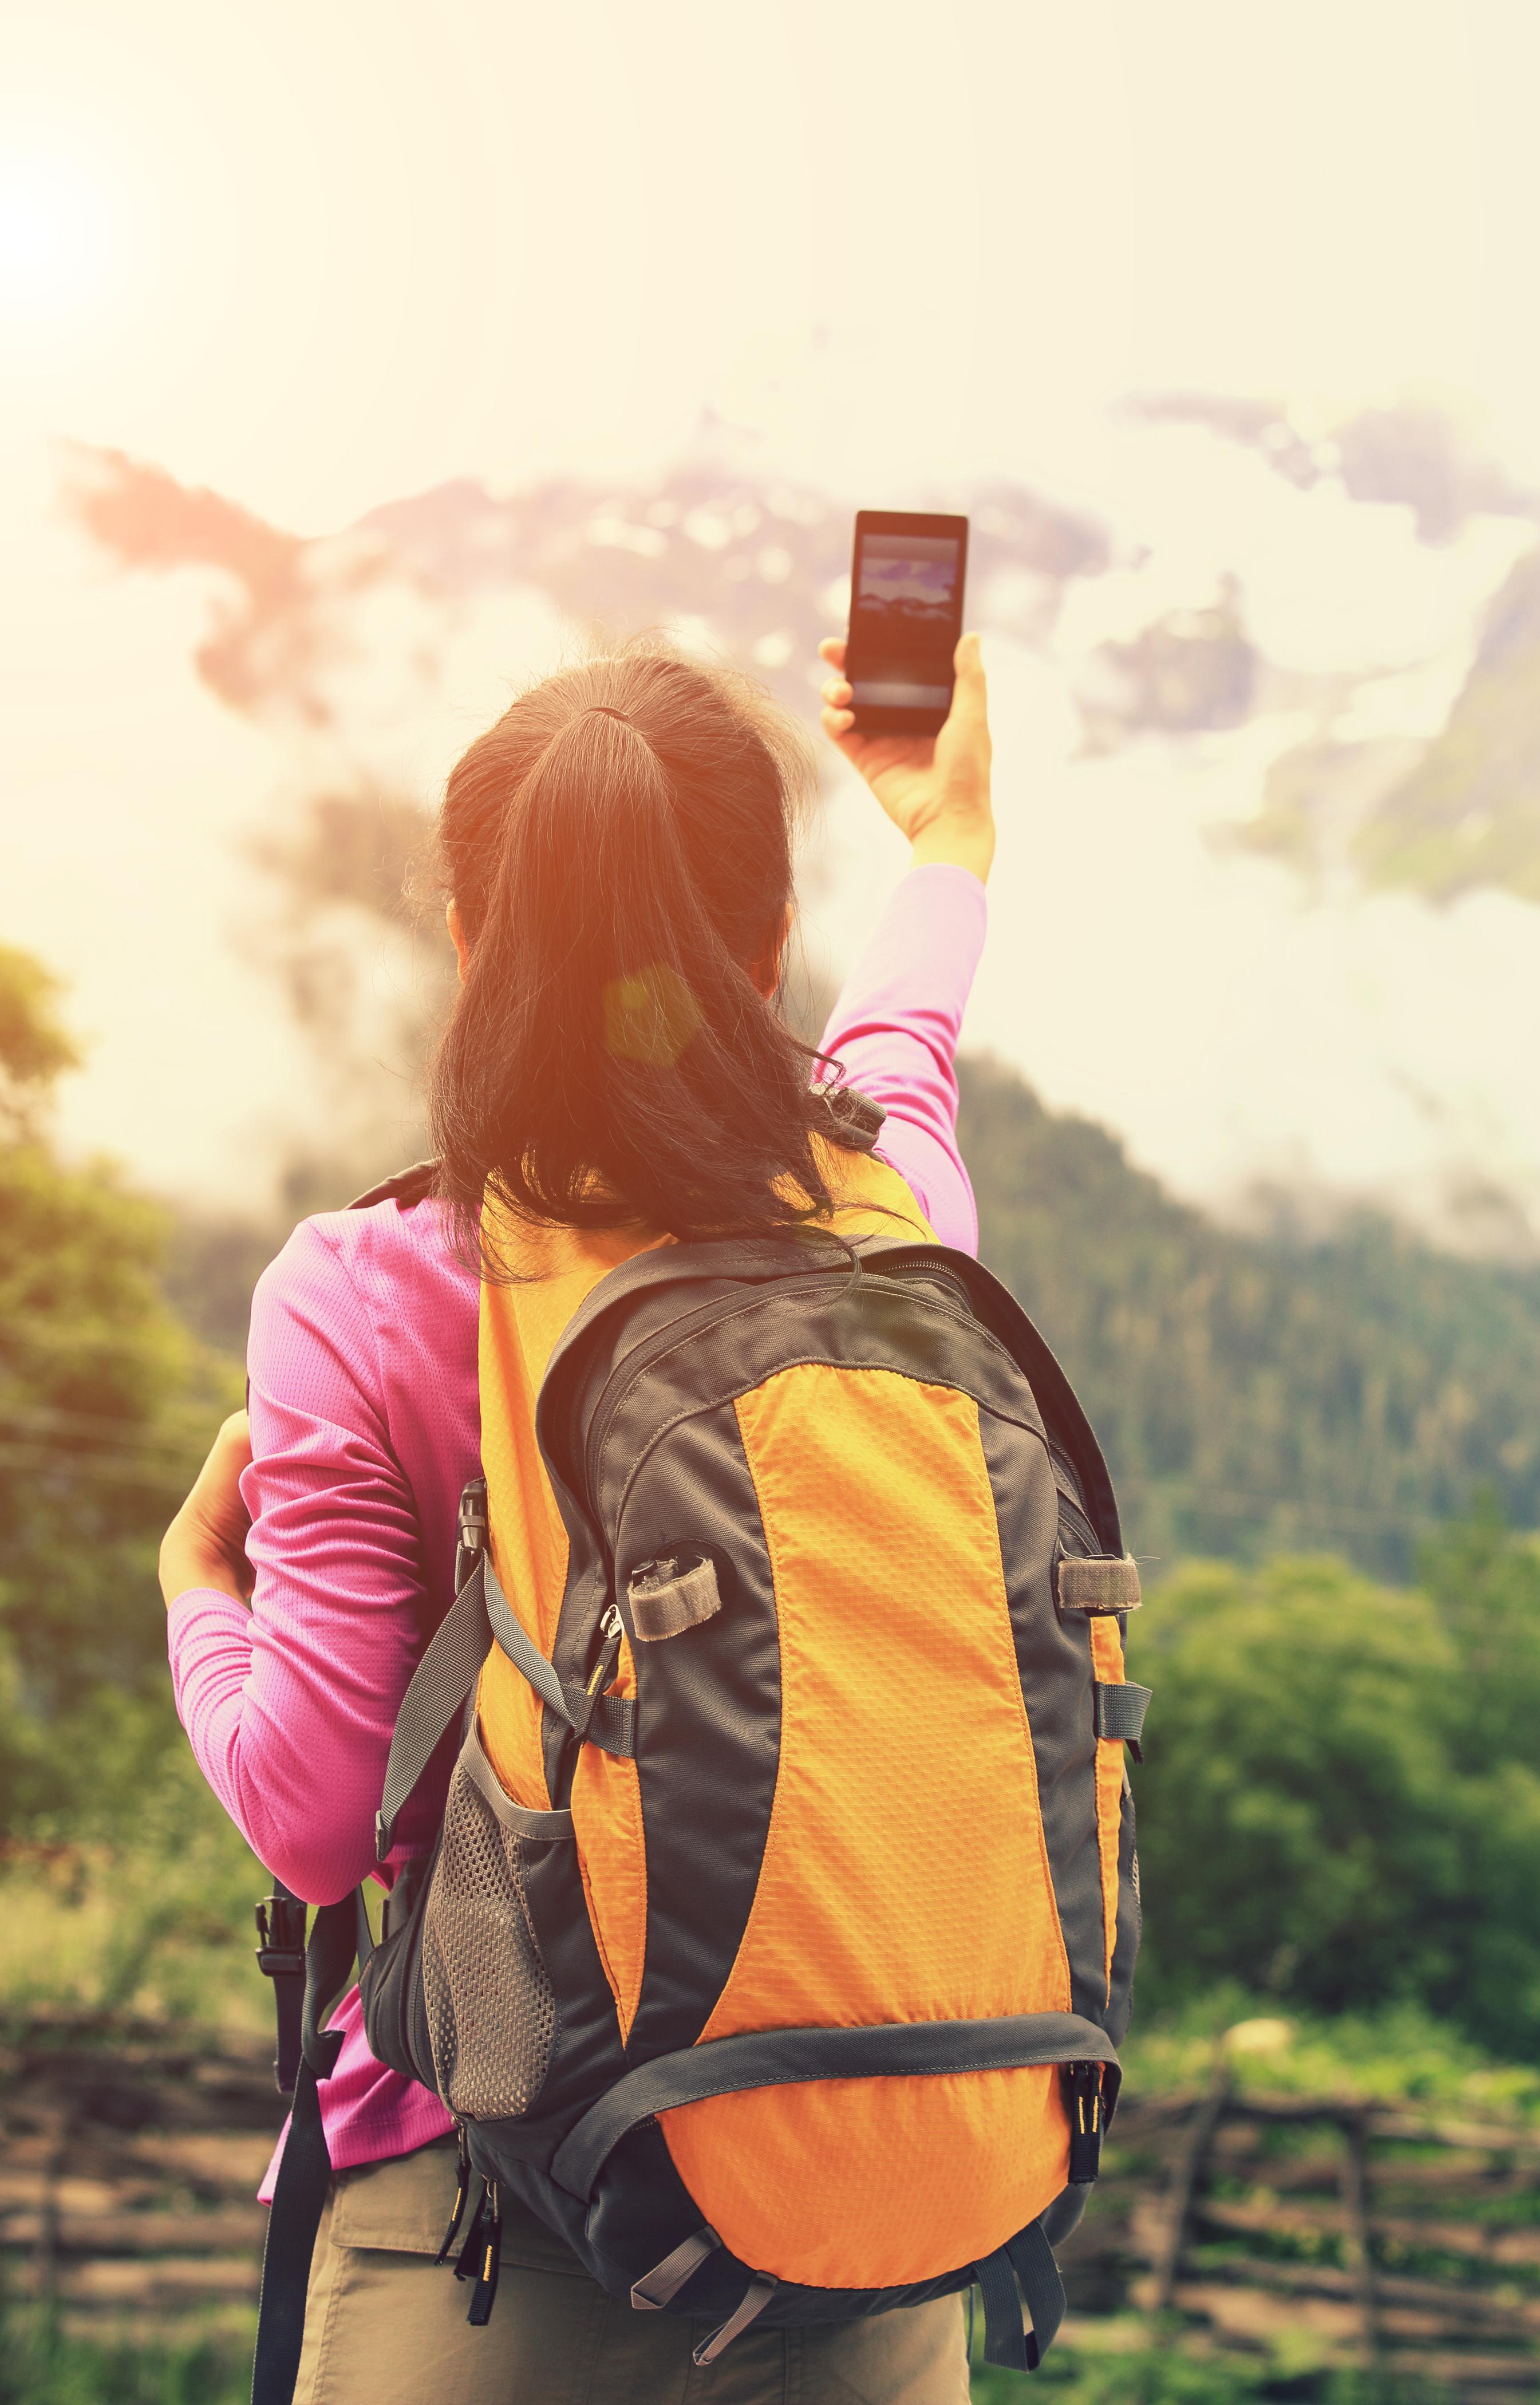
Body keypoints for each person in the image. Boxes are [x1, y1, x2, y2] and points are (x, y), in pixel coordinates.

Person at [160, 628, 997, 2404]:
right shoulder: (895, 1236)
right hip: (863, 2228)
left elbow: (315, 1822)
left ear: (475, 943)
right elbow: (903, 1044)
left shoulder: (368, 1292)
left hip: (491, 2242)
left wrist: (193, 1595)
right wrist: (947, 846)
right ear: (768, 944)